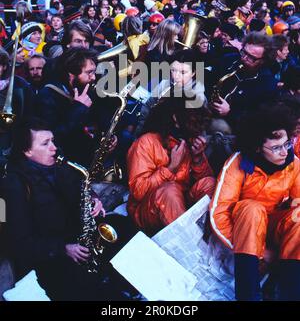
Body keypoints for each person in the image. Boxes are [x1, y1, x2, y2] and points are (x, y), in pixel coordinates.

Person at [0, 118, 137, 301]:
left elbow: (80, 186)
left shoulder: (58, 164)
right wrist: (63, 249)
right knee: (87, 288)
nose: (54, 147)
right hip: (51, 257)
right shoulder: (14, 185)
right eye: (45, 143)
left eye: (53, 140)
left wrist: (94, 200)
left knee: (126, 228)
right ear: (27, 151)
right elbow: (20, 243)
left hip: (78, 236)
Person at [210, 103, 300, 301]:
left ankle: (290, 292)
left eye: (286, 144)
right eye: (276, 148)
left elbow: (297, 203)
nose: (284, 152)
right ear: (258, 147)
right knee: (251, 208)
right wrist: (259, 251)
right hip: (245, 233)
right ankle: (248, 296)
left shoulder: (293, 164)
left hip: (273, 229)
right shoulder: (238, 163)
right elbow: (219, 213)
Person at [127, 98, 216, 235]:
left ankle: (207, 237)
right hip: (148, 210)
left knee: (209, 183)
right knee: (169, 191)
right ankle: (189, 245)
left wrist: (198, 158)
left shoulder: (187, 140)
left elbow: (204, 181)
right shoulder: (146, 142)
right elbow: (138, 192)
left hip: (179, 203)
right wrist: (170, 169)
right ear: (175, 119)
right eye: (191, 121)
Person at [37, 48, 116, 166]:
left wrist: (110, 136)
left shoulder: (85, 88)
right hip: (64, 165)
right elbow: (54, 136)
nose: (93, 77)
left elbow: (99, 118)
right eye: (89, 72)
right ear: (71, 73)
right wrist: (79, 108)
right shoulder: (47, 95)